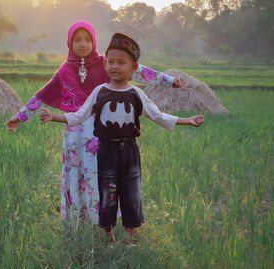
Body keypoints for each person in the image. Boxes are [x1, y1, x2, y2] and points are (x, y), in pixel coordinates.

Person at [5, 20, 182, 225]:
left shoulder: (106, 61)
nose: (83, 44)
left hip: (102, 130)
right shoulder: (64, 71)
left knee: (102, 173)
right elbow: (42, 96)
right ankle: (78, 219)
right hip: (75, 133)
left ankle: (103, 219)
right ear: (69, 43)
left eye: (87, 39)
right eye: (77, 40)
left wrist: (168, 80)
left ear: (94, 41)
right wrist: (19, 117)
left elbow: (139, 69)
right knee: (77, 172)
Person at [40, 33, 204, 246]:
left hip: (130, 152)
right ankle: (108, 236)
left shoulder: (136, 94)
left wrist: (187, 120)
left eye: (121, 62)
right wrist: (54, 117)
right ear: (105, 63)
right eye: (110, 62)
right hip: (106, 151)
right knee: (107, 191)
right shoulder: (99, 92)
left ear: (134, 68)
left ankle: (129, 238)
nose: (114, 66)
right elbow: (79, 116)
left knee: (131, 192)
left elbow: (158, 116)